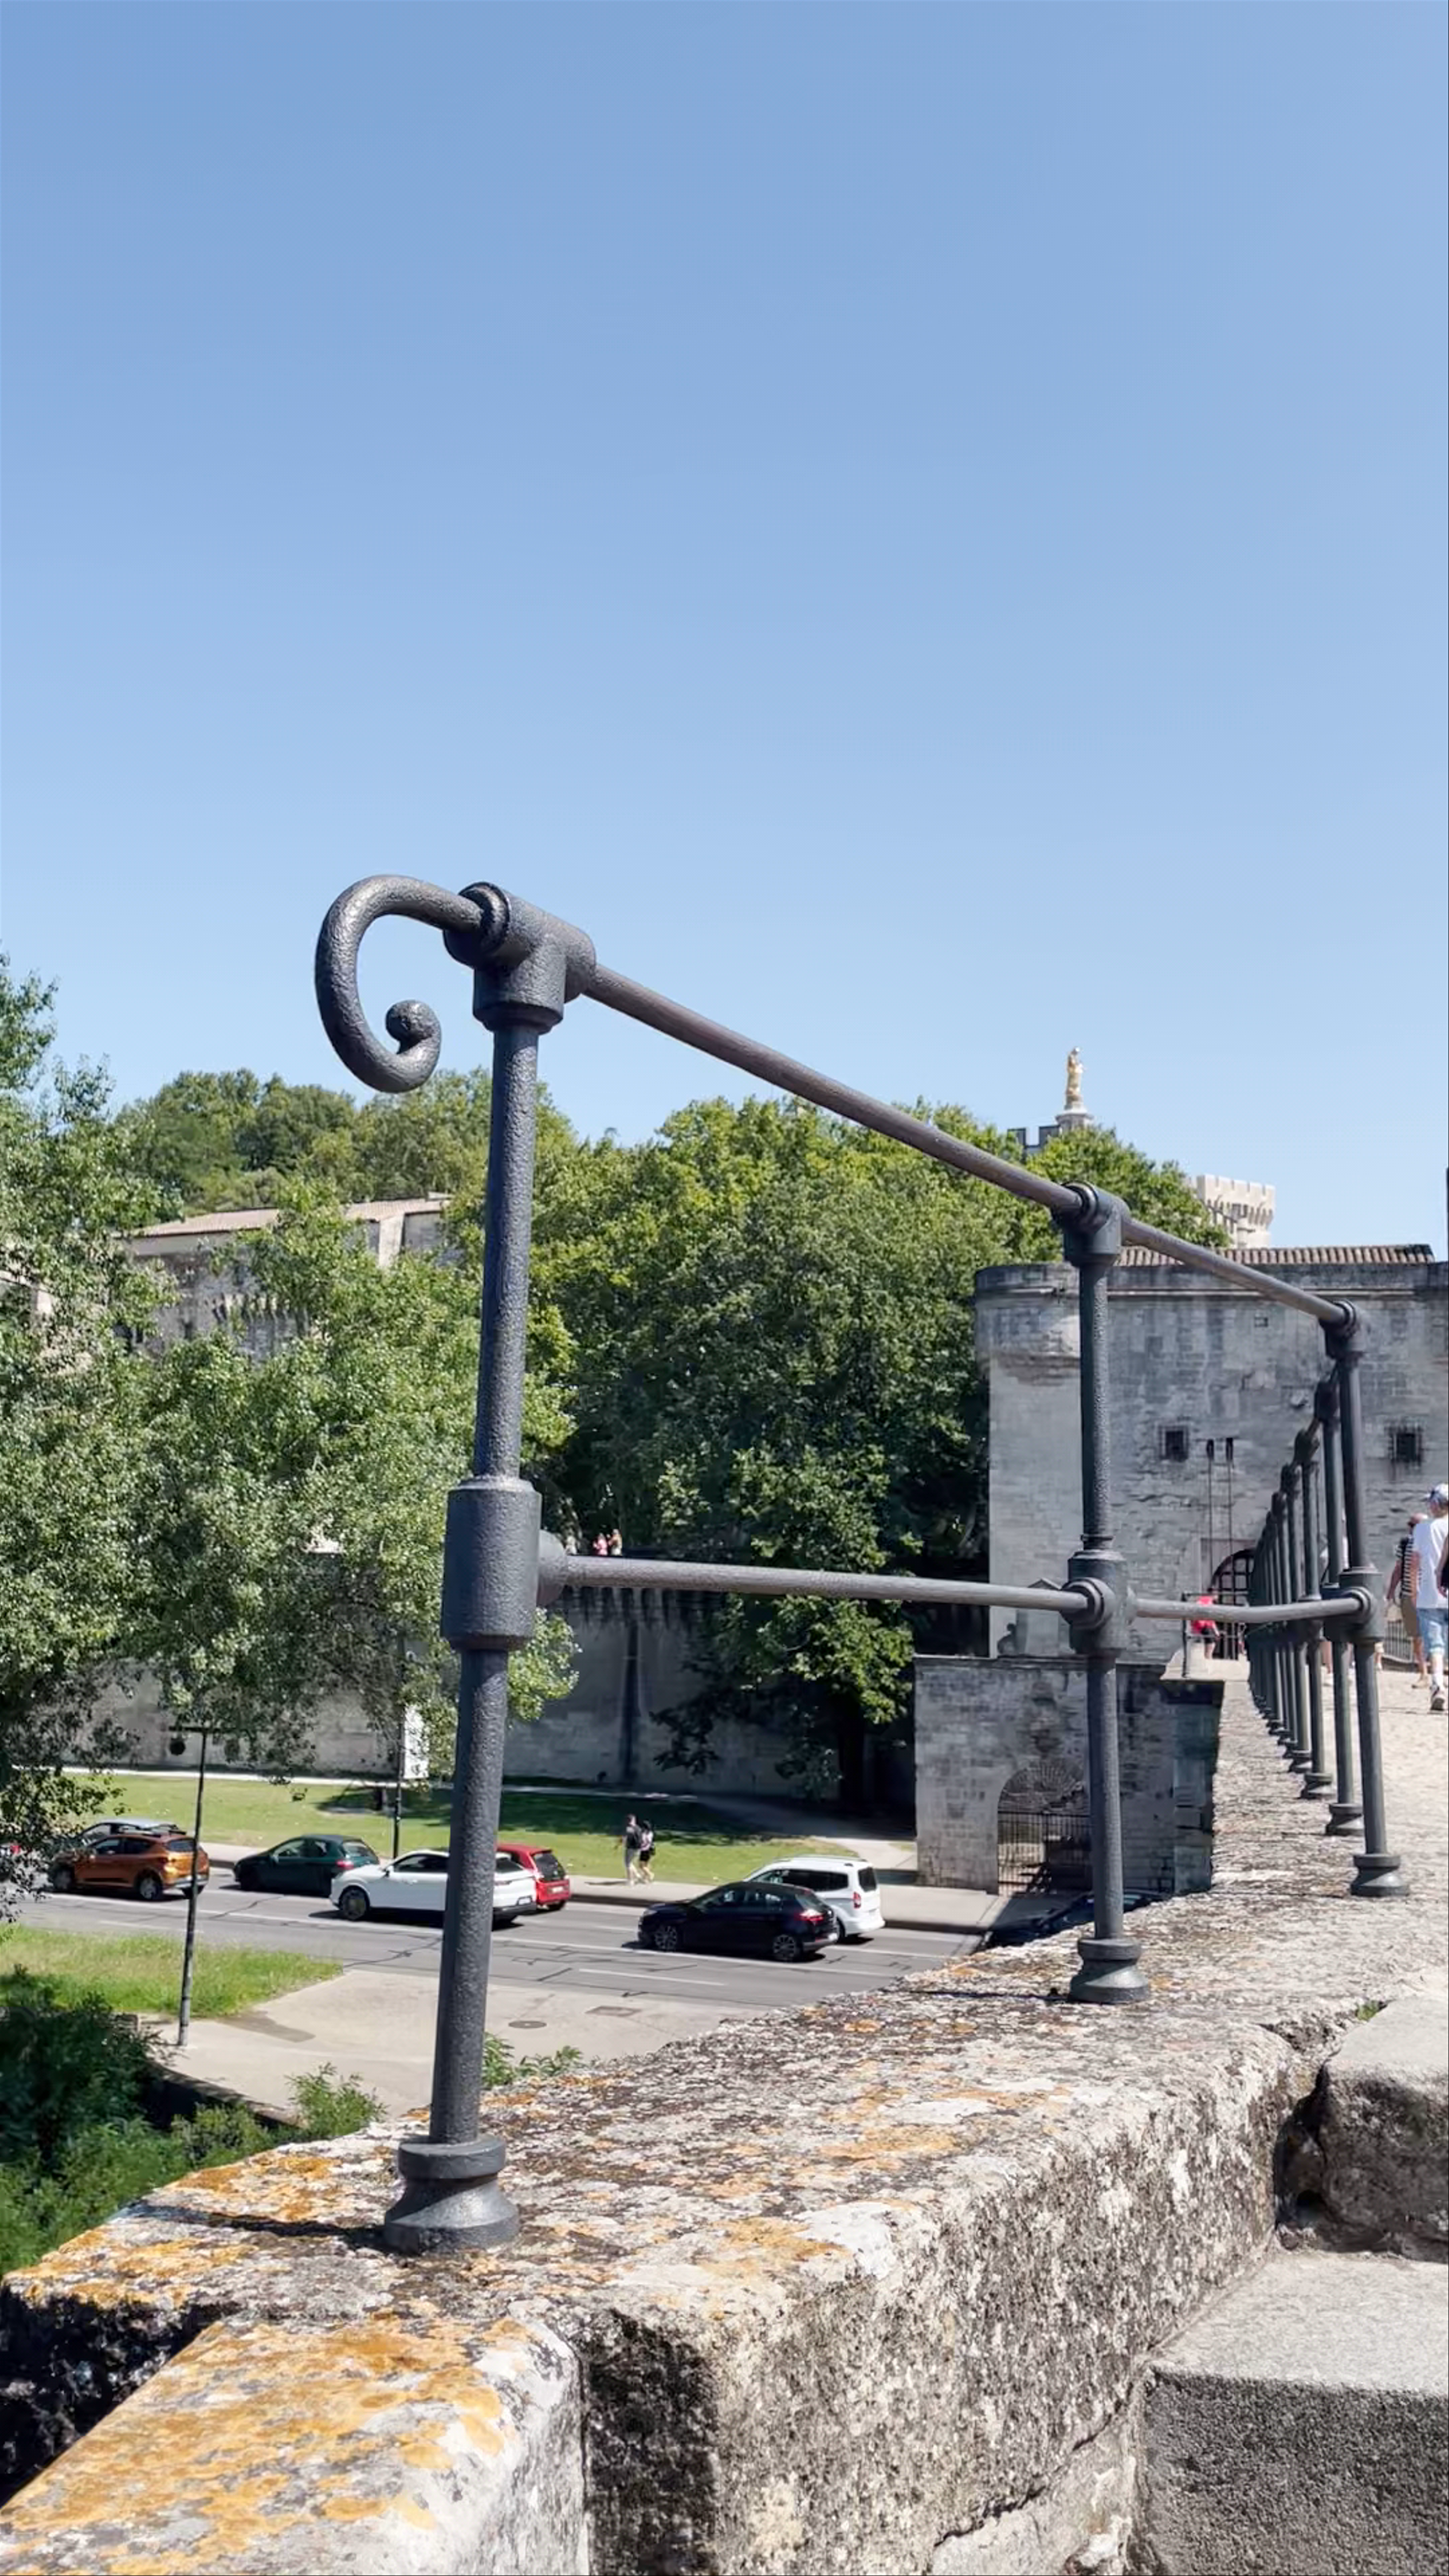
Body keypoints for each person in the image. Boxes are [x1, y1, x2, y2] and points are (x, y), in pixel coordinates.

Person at [1409, 1486, 1449, 1714]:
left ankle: (1438, 1686)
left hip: (1430, 1594)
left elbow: (1415, 1563)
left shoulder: (1422, 1529)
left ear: (1435, 1505)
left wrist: (1414, 1591)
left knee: (1435, 1646)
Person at [1387, 1514, 1429, 1684]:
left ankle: (1436, 1672)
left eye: (1413, 1525)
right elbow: (1398, 1569)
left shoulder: (1434, 1543)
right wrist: (1391, 1591)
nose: (1409, 1528)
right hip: (1409, 1596)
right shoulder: (1405, 1544)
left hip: (1431, 1597)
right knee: (1417, 1636)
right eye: (1410, 1525)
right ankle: (1424, 1672)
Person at [621, 1813, 643, 1883]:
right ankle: (638, 1876)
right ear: (634, 1820)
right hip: (638, 1848)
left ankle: (631, 1880)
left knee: (628, 1864)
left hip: (631, 1848)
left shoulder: (630, 1828)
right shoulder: (638, 1828)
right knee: (630, 1863)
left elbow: (627, 1838)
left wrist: (622, 1842)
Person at [635, 1816, 655, 1882]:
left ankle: (650, 1875)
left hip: (644, 1851)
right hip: (650, 1850)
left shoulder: (644, 1835)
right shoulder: (651, 1833)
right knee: (647, 1865)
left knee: (641, 1866)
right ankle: (646, 1879)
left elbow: (642, 1842)